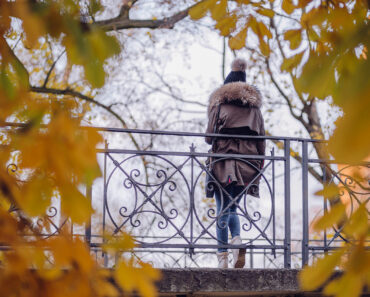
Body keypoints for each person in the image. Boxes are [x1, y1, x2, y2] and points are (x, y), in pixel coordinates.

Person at [205, 58, 266, 268]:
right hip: (248, 165)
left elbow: (208, 137)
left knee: (224, 208)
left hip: (223, 162)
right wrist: (259, 166)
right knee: (230, 207)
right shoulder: (255, 109)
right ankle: (232, 246)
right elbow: (261, 141)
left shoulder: (219, 104)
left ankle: (227, 251)